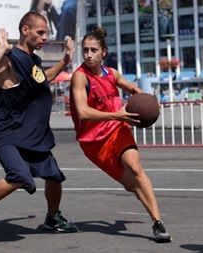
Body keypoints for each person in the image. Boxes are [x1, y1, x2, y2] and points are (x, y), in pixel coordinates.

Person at [0, 12, 78, 244]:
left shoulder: (32, 60)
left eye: (46, 33)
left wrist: (65, 61)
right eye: (40, 32)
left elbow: (43, 78)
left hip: (27, 131)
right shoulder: (11, 56)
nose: (45, 37)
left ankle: (53, 217)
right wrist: (1, 49)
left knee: (53, 175)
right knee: (20, 175)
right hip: (4, 131)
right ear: (25, 30)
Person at [69, 26, 172, 243]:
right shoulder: (80, 77)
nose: (88, 54)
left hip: (117, 129)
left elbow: (133, 88)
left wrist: (151, 102)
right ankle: (141, 196)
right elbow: (82, 111)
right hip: (94, 143)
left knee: (135, 167)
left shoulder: (111, 73)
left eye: (93, 50)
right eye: (85, 50)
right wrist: (116, 115)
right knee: (130, 184)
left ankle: (157, 223)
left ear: (103, 52)